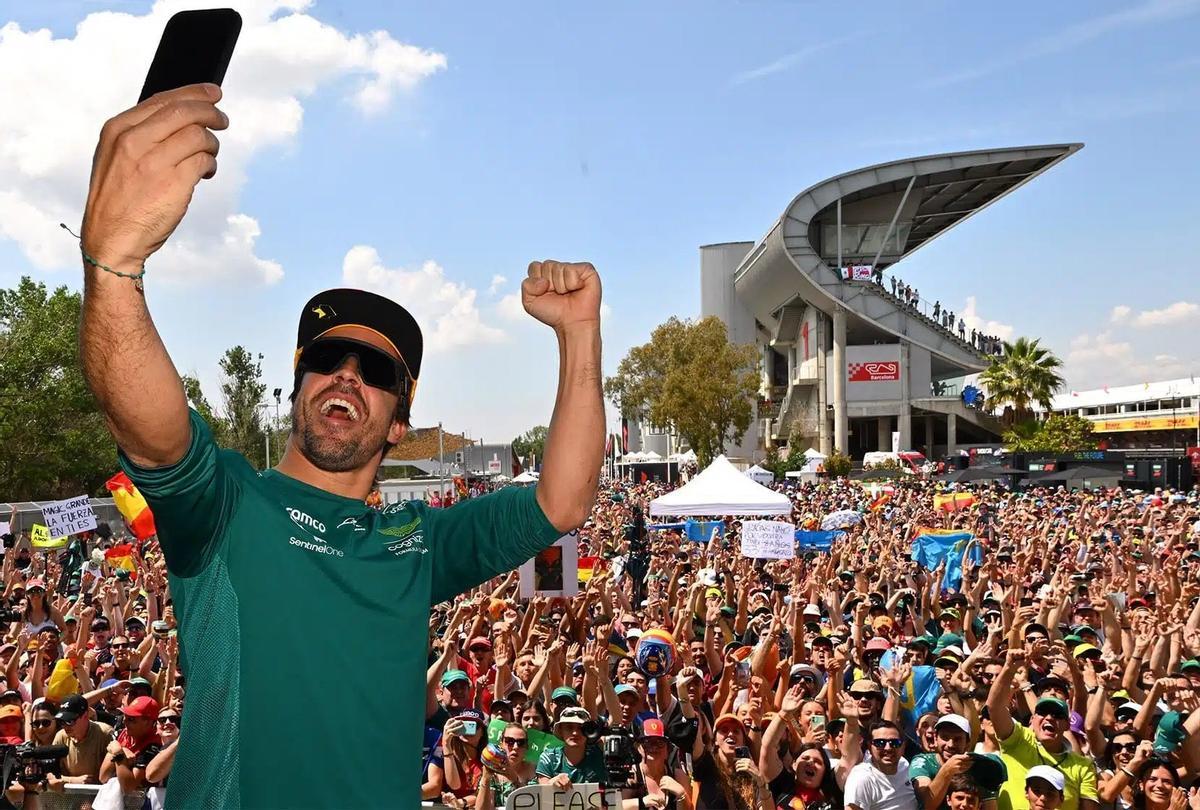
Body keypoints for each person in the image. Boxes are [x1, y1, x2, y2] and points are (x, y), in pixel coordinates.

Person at [79, 83, 604, 807]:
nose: (348, 375)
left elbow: (563, 501)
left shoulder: (418, 544)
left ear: (399, 422)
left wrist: (580, 333)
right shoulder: (227, 506)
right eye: (327, 358)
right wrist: (114, 265)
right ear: (299, 388)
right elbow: (156, 431)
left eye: (377, 372)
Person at [844, 720, 917, 810]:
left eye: (894, 743)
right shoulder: (861, 777)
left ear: (903, 746)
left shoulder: (904, 764)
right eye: (880, 743)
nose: (888, 748)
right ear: (869, 747)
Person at [536, 707, 608, 789]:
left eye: (581, 728)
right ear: (560, 731)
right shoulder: (549, 757)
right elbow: (543, 790)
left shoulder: (601, 755)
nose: (575, 733)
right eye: (569, 727)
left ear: (589, 731)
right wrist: (551, 783)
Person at [51, 694, 113, 785]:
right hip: (72, 793)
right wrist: (73, 780)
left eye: (70, 721)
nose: (65, 726)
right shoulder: (61, 736)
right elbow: (50, 775)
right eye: (62, 721)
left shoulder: (105, 734)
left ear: (85, 716)